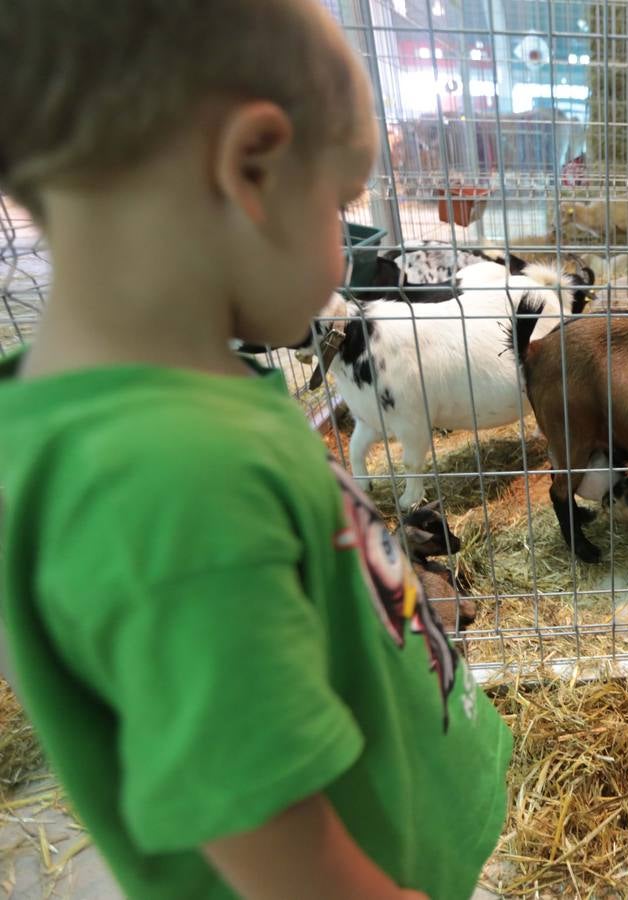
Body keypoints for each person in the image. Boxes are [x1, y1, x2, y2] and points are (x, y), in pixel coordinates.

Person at [0, 2, 510, 898]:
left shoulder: (164, 407)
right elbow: (276, 850)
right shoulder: (167, 478)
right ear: (252, 167)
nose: (345, 245)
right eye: (340, 203)